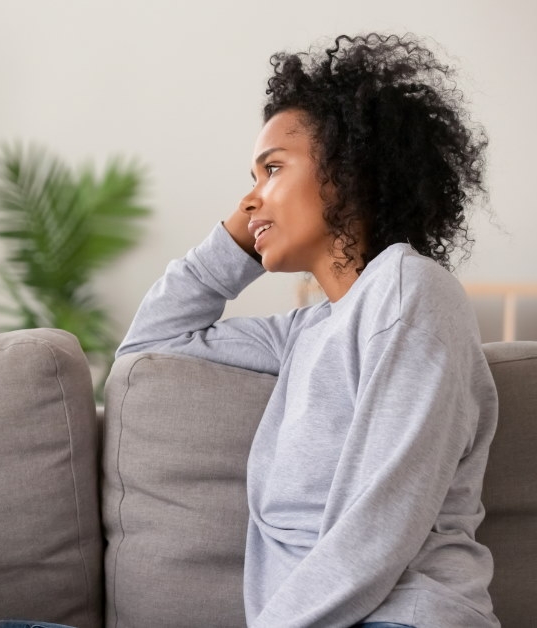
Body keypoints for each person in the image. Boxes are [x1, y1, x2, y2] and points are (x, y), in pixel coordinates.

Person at [117, 34, 498, 627]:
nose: (250, 198)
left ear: (346, 172)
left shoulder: (412, 292)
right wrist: (243, 232)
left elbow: (381, 525)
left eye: (272, 169)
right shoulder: (305, 331)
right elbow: (147, 349)